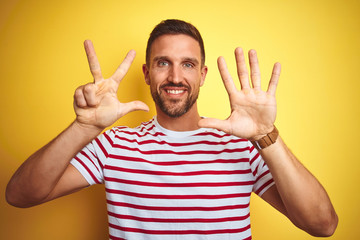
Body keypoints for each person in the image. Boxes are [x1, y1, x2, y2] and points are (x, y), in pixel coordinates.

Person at [6, 19, 338, 239]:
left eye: (188, 65)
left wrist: (266, 134)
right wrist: (82, 127)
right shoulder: (114, 145)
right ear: (147, 73)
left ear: (203, 75)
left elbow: (322, 225)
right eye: (163, 63)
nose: (176, 77)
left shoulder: (242, 145)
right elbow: (19, 196)